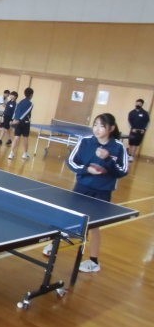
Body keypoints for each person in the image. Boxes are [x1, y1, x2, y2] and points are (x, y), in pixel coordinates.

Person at [67, 113, 129, 273]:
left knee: (94, 226)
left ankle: (94, 261)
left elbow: (123, 171)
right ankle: (55, 244)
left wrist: (108, 159)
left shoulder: (118, 147)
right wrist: (86, 169)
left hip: (102, 191)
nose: (97, 129)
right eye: (95, 125)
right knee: (71, 218)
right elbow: (71, 161)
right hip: (82, 187)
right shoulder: (85, 141)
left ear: (111, 128)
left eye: (102, 126)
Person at [8, 87, 34, 160]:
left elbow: (15, 111)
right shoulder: (30, 104)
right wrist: (19, 120)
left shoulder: (20, 102)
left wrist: (13, 119)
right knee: (25, 138)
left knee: (16, 138)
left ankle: (11, 154)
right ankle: (25, 154)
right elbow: (26, 112)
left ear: (25, 94)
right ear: (31, 95)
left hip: (17, 121)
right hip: (25, 123)